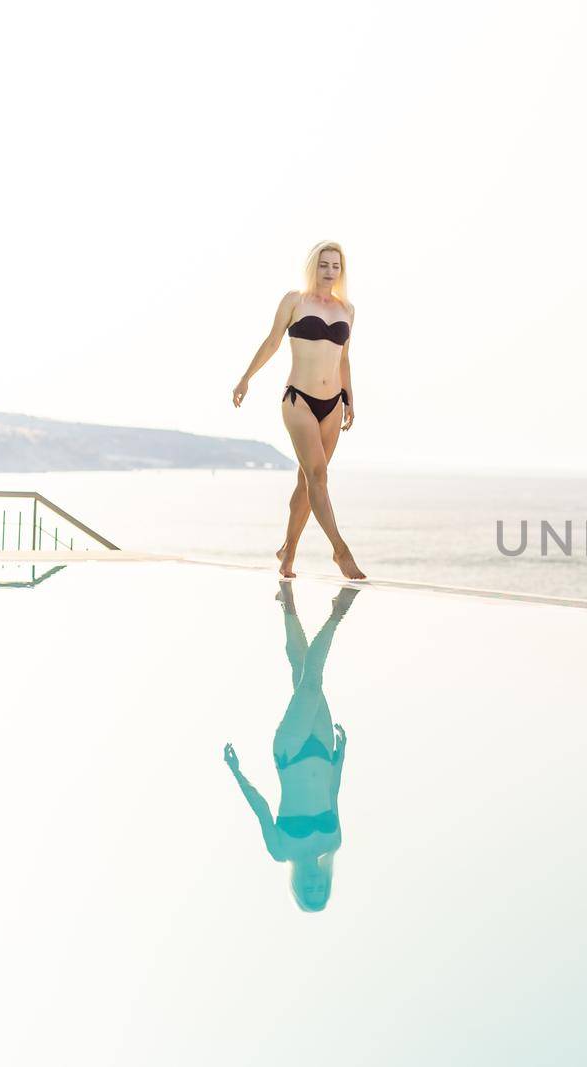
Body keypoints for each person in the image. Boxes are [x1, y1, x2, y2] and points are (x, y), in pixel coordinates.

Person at [232, 240, 366, 580]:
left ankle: (287, 552)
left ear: (341, 271)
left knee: (307, 482)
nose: (329, 271)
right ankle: (340, 550)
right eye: (324, 265)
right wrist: (246, 378)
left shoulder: (347, 310)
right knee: (318, 476)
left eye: (335, 266)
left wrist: (349, 398)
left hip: (333, 403)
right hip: (299, 400)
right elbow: (273, 341)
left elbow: (344, 358)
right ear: (314, 267)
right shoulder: (295, 301)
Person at [224, 582, 359, 911]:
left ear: (299, 886)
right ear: (325, 883)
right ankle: (288, 606)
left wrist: (237, 772)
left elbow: (260, 809)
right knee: (302, 670)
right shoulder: (334, 841)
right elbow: (333, 794)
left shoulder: (281, 850)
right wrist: (340, 757)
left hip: (291, 752)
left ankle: (337, 612)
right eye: (320, 890)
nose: (315, 884)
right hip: (324, 750)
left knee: (311, 681)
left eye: (308, 890)